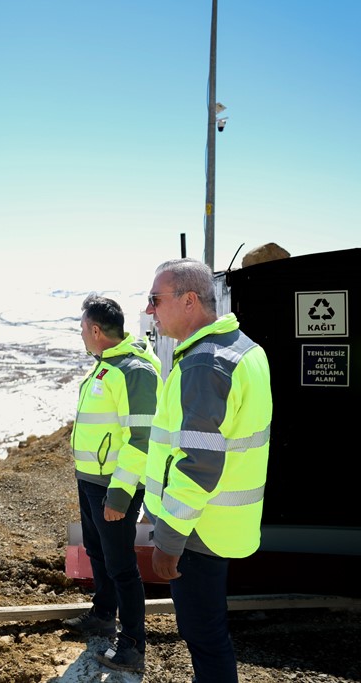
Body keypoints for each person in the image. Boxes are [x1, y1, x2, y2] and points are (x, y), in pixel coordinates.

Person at [144, 258, 272, 683]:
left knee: (204, 635)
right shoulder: (245, 350)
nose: (150, 311)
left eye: (156, 299)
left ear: (189, 301)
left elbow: (198, 465)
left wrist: (168, 539)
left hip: (200, 528)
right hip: (224, 522)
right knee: (210, 632)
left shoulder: (203, 364)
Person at [63, 294, 161, 674]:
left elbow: (140, 439)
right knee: (97, 552)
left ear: (95, 330)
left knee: (121, 566)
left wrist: (120, 494)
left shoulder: (133, 371)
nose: (82, 335)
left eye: (82, 329)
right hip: (91, 480)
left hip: (113, 486)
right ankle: (103, 616)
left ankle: (133, 646)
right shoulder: (104, 366)